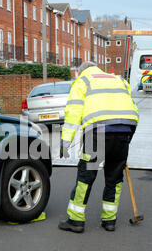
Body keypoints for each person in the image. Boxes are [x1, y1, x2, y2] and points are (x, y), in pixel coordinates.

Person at [58, 61, 139, 233]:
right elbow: (132, 109)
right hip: (124, 131)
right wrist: (128, 137)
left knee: (86, 177)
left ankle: (76, 220)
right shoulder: (119, 80)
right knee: (115, 179)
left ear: (81, 72)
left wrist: (65, 141)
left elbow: (73, 112)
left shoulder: (83, 81)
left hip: (98, 134)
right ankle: (109, 221)